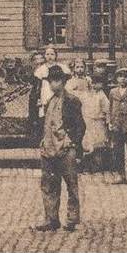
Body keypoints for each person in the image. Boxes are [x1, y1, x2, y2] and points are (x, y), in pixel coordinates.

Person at [35, 65, 86, 233]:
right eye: (50, 81)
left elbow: (80, 126)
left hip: (65, 149)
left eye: (56, 81)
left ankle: (72, 218)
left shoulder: (72, 101)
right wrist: (43, 141)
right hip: (49, 149)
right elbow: (46, 124)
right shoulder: (49, 101)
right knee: (49, 184)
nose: (53, 84)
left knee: (71, 185)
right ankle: (51, 218)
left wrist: (72, 141)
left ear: (64, 82)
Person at [82, 72, 110, 172]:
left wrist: (107, 122)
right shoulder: (88, 95)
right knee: (89, 143)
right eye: (92, 83)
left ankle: (98, 166)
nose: (94, 85)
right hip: (89, 122)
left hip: (98, 122)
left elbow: (107, 111)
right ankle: (87, 166)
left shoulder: (102, 96)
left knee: (98, 144)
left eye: (97, 83)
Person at [35, 45, 71, 114]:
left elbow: (67, 78)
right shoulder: (41, 69)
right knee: (46, 107)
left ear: (56, 56)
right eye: (47, 54)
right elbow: (38, 85)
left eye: (52, 54)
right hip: (46, 90)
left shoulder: (61, 67)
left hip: (58, 89)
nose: (50, 56)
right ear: (44, 56)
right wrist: (38, 98)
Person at [28, 52, 46, 142]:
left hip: (44, 96)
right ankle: (34, 135)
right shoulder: (33, 74)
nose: (39, 64)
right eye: (36, 62)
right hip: (34, 96)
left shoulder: (46, 73)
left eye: (41, 63)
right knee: (34, 115)